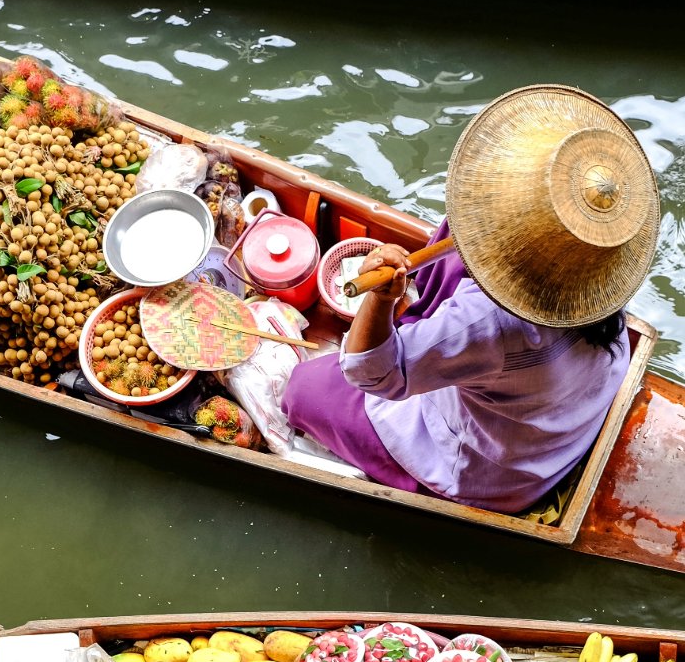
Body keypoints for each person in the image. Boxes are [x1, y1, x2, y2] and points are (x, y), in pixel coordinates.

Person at [282, 84, 660, 513]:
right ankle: (421, 336)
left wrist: (382, 300)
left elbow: (371, 375)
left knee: (303, 388)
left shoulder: (488, 322)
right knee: (455, 231)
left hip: (488, 473)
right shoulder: (599, 275)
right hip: (555, 433)